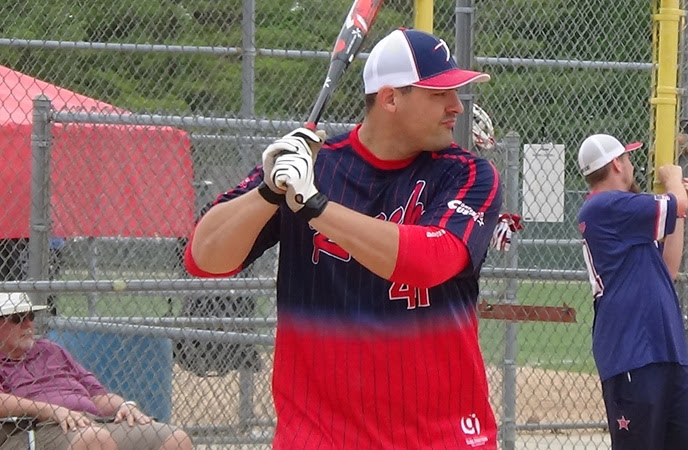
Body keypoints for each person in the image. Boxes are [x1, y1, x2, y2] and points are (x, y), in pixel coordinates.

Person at [185, 28, 502, 449]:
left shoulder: (468, 174)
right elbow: (204, 258)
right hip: (320, 438)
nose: (456, 106)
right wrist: (269, 191)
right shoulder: (314, 166)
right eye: (438, 94)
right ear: (390, 99)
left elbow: (431, 260)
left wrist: (316, 206)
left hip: (440, 436)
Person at [576, 134, 688, 450]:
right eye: (628, 158)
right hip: (632, 352)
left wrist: (679, 212)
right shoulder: (604, 206)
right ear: (616, 164)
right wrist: (672, 177)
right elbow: (677, 201)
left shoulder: (627, 219)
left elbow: (668, 268)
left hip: (665, 349)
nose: (631, 164)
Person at [0, 292, 193, 450]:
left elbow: (97, 396)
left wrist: (125, 406)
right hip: (34, 429)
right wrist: (50, 410)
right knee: (95, 440)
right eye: (18, 319)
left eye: (31, 317)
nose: (28, 325)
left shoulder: (49, 349)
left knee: (175, 439)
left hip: (92, 423)